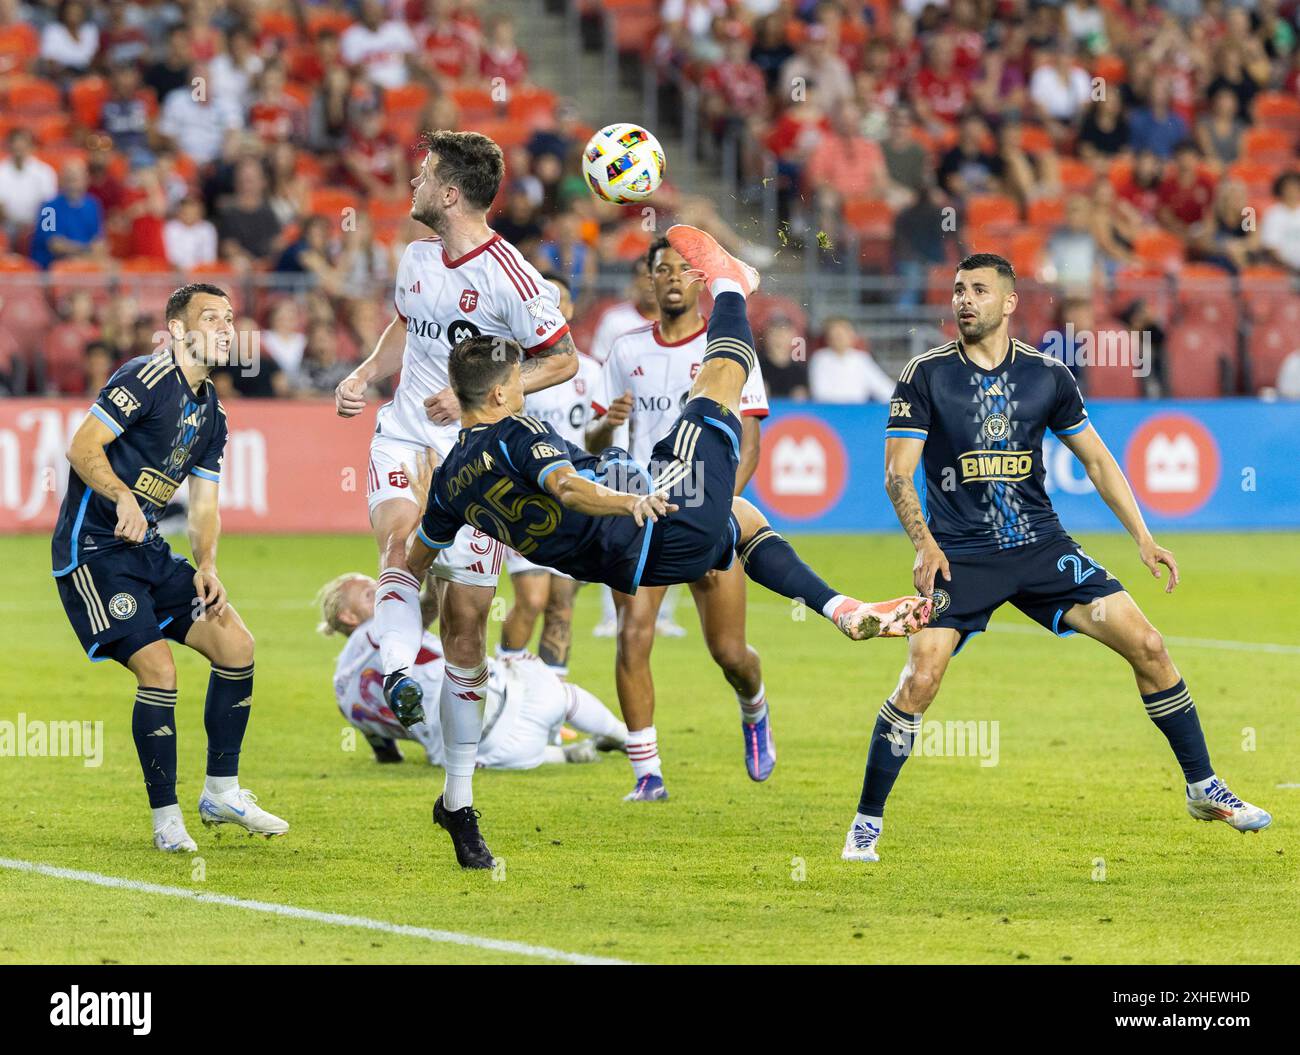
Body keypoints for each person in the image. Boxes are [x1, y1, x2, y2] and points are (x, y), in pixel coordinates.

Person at [405, 225, 931, 865]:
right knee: (715, 386)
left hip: (636, 551)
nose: (527, 383)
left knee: (738, 515)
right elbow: (570, 487)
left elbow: (415, 559)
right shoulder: (516, 433)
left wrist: (397, 633)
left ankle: (839, 608)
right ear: (496, 394)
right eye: (518, 377)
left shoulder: (452, 482)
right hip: (655, 515)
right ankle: (734, 284)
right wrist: (630, 499)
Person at [842, 253, 1271, 864]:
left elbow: (1096, 460)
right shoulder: (925, 374)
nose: (965, 299)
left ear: (1010, 303)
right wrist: (924, 542)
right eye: (959, 289)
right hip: (962, 556)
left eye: (980, 290)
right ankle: (866, 823)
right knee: (921, 679)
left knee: (1148, 646)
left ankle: (1203, 788)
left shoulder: (1048, 376)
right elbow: (896, 474)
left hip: (1043, 549)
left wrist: (1143, 537)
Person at [334, 130, 578, 869]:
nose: (411, 178)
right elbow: (408, 323)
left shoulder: (513, 275)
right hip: (404, 436)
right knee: (400, 546)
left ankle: (458, 801)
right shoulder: (413, 258)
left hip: (475, 455)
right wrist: (370, 372)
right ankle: (402, 676)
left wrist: (490, 392)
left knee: (468, 627)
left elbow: (561, 356)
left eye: (424, 172)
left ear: (449, 193)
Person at [51, 284, 288, 854]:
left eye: (230, 318)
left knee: (237, 646)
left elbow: (205, 504)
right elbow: (82, 446)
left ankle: (222, 793)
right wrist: (122, 496)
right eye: (211, 318)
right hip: (94, 552)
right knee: (159, 669)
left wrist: (207, 563)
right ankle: (165, 821)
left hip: (149, 552)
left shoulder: (213, 413)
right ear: (178, 330)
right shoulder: (145, 378)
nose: (226, 327)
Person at [584, 236, 772, 798]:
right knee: (632, 635)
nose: (669, 278)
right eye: (659, 269)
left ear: (699, 280)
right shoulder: (623, 350)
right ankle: (647, 773)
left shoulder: (727, 347)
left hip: (706, 514)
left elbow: (751, 440)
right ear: (648, 280)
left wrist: (716, 508)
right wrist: (604, 422)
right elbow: (596, 439)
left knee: (728, 651)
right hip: (642, 513)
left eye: (681, 270)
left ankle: (754, 707)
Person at [319, 572, 627, 768]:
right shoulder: (384, 627)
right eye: (371, 594)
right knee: (552, 686)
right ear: (348, 616)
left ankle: (568, 756)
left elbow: (386, 752)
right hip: (505, 703)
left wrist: (389, 756)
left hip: (485, 758)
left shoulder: (342, 692)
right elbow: (432, 601)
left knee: (493, 735)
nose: (384, 592)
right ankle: (625, 738)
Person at [498, 273, 597, 678]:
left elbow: (599, 434)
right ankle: (505, 684)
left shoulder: (590, 371)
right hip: (523, 498)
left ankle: (551, 710)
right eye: (546, 301)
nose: (555, 307)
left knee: (561, 603)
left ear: (570, 310)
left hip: (572, 493)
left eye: (561, 300)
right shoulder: (512, 373)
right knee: (532, 598)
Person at [808, 318, 894, 403]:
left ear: (851, 336)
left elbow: (882, 386)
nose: (839, 339)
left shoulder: (861, 358)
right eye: (835, 336)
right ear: (828, 339)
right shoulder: (820, 358)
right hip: (829, 410)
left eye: (842, 335)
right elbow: (819, 393)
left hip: (857, 411)